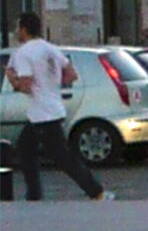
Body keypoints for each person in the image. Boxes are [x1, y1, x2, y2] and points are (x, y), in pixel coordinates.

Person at [5, 13, 112, 202]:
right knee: (25, 149)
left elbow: (26, 85)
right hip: (51, 109)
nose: (16, 32)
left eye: (17, 28)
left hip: (42, 114)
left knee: (62, 157)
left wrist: (12, 79)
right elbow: (71, 75)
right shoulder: (50, 49)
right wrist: (50, 83)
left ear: (23, 29)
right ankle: (34, 195)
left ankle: (97, 192)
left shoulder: (22, 53)